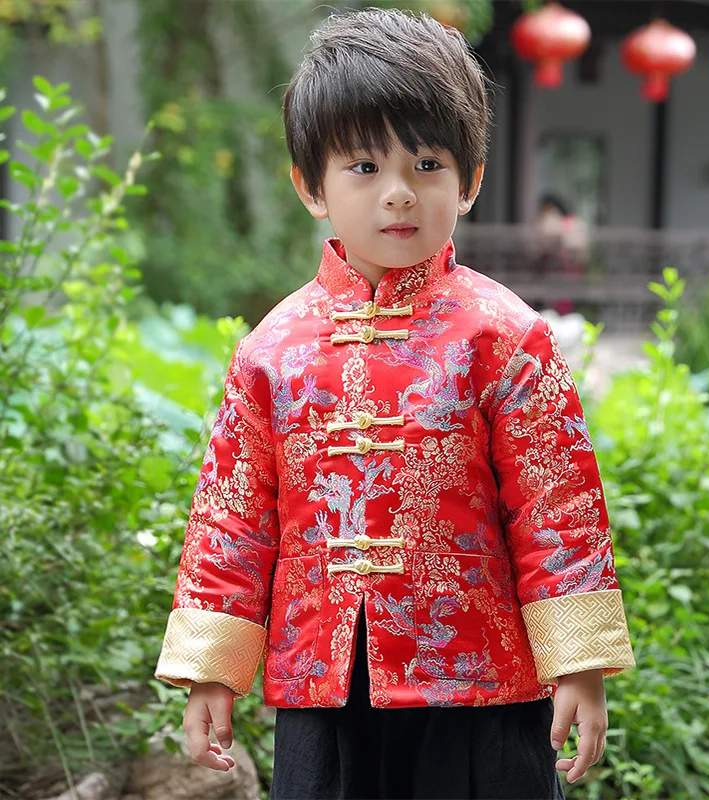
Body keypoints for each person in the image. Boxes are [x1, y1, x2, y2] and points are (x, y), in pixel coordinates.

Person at [153, 7, 636, 799]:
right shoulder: (271, 350)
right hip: (324, 684)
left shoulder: (507, 337)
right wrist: (212, 670)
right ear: (311, 186)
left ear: (469, 181)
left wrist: (579, 662)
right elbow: (233, 516)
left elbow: (557, 504)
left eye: (427, 164)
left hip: (482, 686)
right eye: (365, 166)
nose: (399, 194)